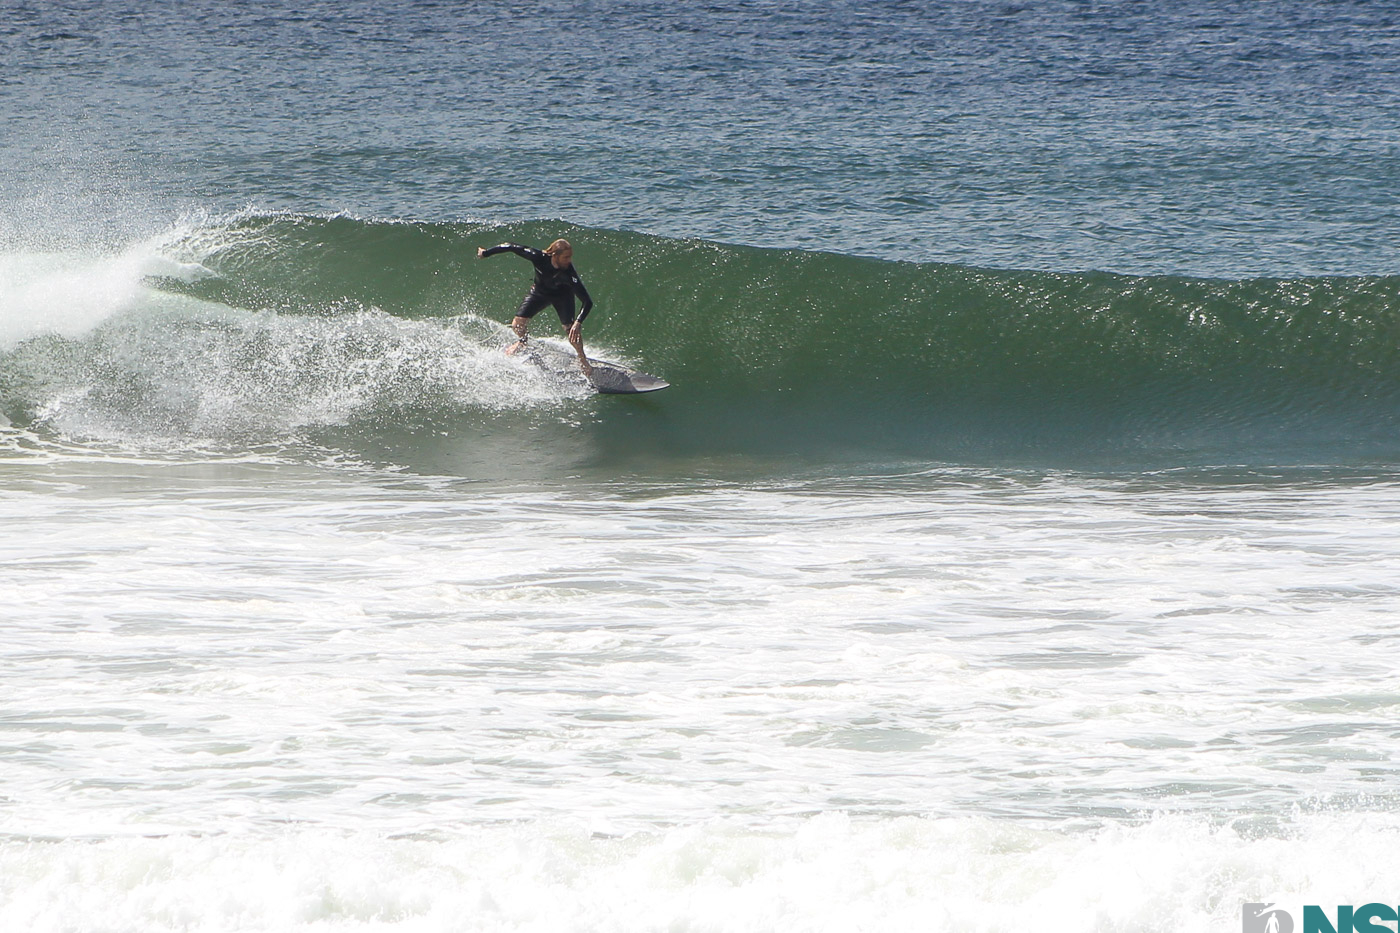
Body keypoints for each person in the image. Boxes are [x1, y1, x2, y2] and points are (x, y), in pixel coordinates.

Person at [477, 238, 593, 375]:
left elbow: (587, 301)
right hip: (540, 293)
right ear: (554, 255)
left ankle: (583, 360)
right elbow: (511, 246)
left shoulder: (569, 274)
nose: (569, 260)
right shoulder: (538, 257)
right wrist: (486, 253)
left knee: (571, 330)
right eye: (566, 257)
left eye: (570, 257)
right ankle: (523, 341)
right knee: (517, 325)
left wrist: (578, 322)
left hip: (563, 296)